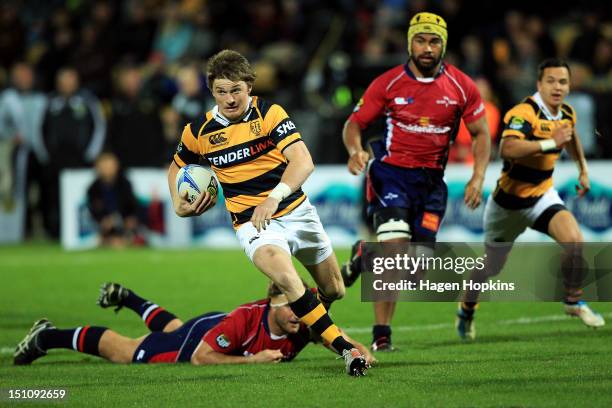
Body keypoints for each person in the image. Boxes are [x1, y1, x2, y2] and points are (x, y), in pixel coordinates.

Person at [167, 50, 368, 376]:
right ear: (211, 91)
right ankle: (346, 351)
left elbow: (303, 161)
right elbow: (176, 168)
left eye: (236, 90)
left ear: (249, 86)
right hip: (253, 223)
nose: (229, 99)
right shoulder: (198, 132)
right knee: (289, 280)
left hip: (295, 211)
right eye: (221, 91)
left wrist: (273, 198)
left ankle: (322, 306)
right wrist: (177, 203)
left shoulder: (269, 113)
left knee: (333, 291)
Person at [341, 12, 491, 351]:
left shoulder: (461, 86)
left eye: (434, 41)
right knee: (394, 252)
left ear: (444, 46)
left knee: (415, 271)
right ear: (410, 43)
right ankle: (382, 335)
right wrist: (354, 150)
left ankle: (365, 256)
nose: (427, 47)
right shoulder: (388, 83)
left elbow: (481, 133)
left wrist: (477, 176)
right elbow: (354, 123)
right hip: (391, 174)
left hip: (431, 183)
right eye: (420, 40)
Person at [455, 59, 605, 340]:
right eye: (551, 81)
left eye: (562, 82)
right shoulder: (524, 112)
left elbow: (570, 139)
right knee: (492, 265)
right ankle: (466, 308)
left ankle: (573, 301)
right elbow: (508, 148)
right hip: (507, 204)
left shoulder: (566, 114)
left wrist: (582, 169)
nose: (557, 87)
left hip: (541, 196)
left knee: (575, 241)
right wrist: (551, 142)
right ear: (539, 84)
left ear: (569, 86)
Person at [14, 282, 375, 366]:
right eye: (293, 309)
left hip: (208, 326)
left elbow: (335, 335)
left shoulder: (303, 322)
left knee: (173, 329)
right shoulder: (246, 321)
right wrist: (252, 360)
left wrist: (358, 353)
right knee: (129, 352)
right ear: (272, 304)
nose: (300, 315)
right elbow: (202, 358)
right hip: (207, 337)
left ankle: (129, 298)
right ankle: (47, 337)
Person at [87, 152, 141, 247]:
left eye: (110, 165)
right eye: (104, 166)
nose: (107, 169)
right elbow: (93, 211)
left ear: (116, 166)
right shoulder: (93, 189)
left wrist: (125, 219)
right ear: (98, 167)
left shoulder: (125, 184)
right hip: (103, 228)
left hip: (124, 224)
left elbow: (133, 207)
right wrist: (103, 221)